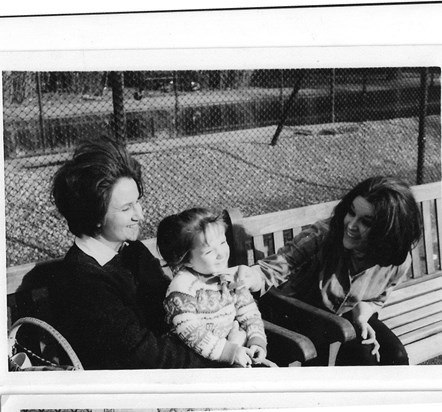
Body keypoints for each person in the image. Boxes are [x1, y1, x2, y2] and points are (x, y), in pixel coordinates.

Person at [49, 137, 239, 369]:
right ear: (95, 216)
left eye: (138, 202)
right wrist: (222, 356)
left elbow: (174, 309)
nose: (140, 215)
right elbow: (143, 355)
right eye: (126, 208)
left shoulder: (131, 250)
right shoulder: (83, 281)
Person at [238, 176, 422, 366]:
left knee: (396, 357)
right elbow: (280, 264)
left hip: (344, 317)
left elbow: (376, 298)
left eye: (366, 222)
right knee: (363, 359)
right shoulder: (323, 236)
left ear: (388, 231)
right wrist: (249, 276)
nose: (351, 225)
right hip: (297, 314)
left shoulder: (395, 261)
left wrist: (362, 316)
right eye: (351, 213)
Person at [157, 208, 270, 368]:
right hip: (198, 366)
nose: (222, 254)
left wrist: (256, 340)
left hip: (234, 354)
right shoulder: (182, 290)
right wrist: (231, 351)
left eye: (223, 242)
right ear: (186, 260)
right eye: (209, 251)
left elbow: (249, 312)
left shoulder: (228, 276)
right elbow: (194, 335)